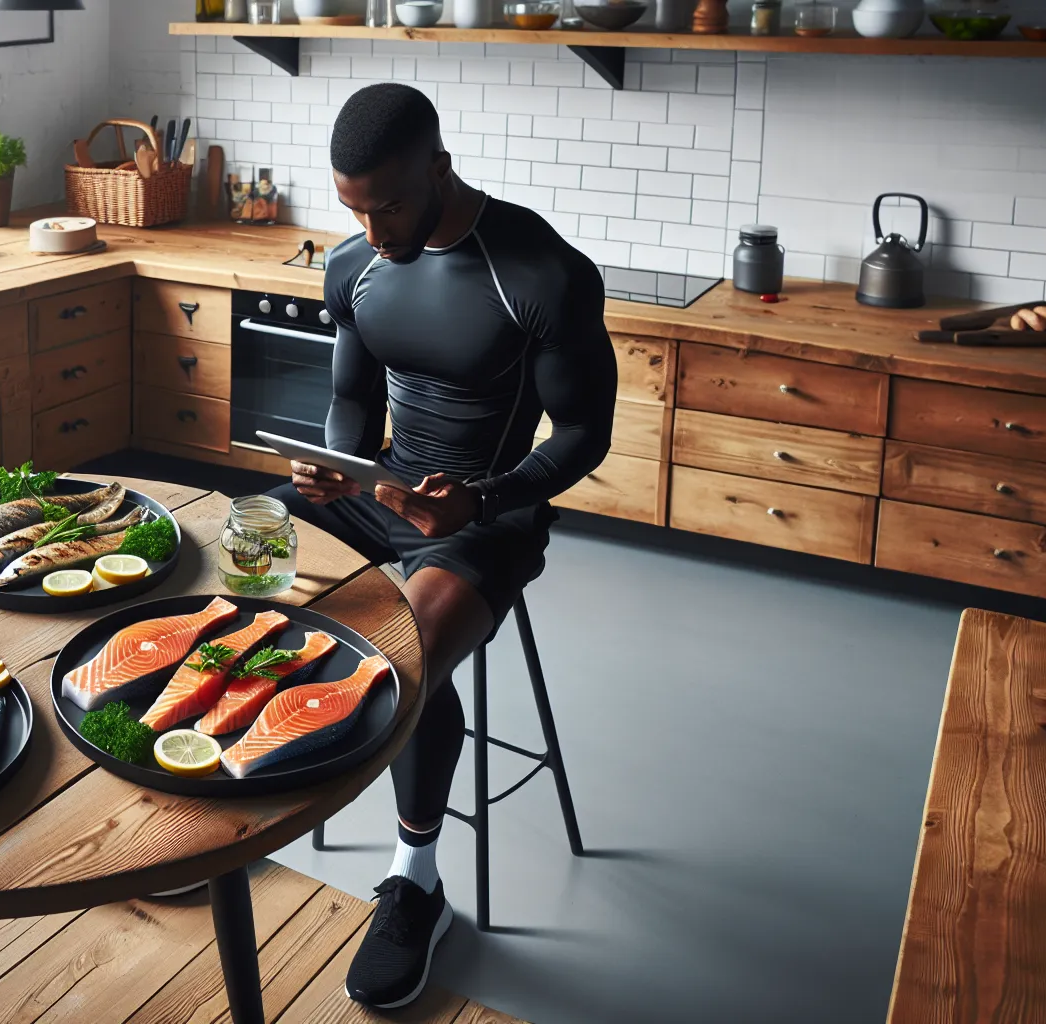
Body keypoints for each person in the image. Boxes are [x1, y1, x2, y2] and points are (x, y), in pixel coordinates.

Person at [270, 83, 617, 1009]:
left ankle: (415, 883)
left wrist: (487, 499)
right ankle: (216, 802)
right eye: (354, 209)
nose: (374, 231)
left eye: (387, 205)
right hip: (379, 491)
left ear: (439, 169)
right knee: (223, 555)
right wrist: (332, 466)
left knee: (405, 651)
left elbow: (584, 435)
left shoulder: (541, 272)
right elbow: (351, 404)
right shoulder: (357, 267)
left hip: (488, 515)